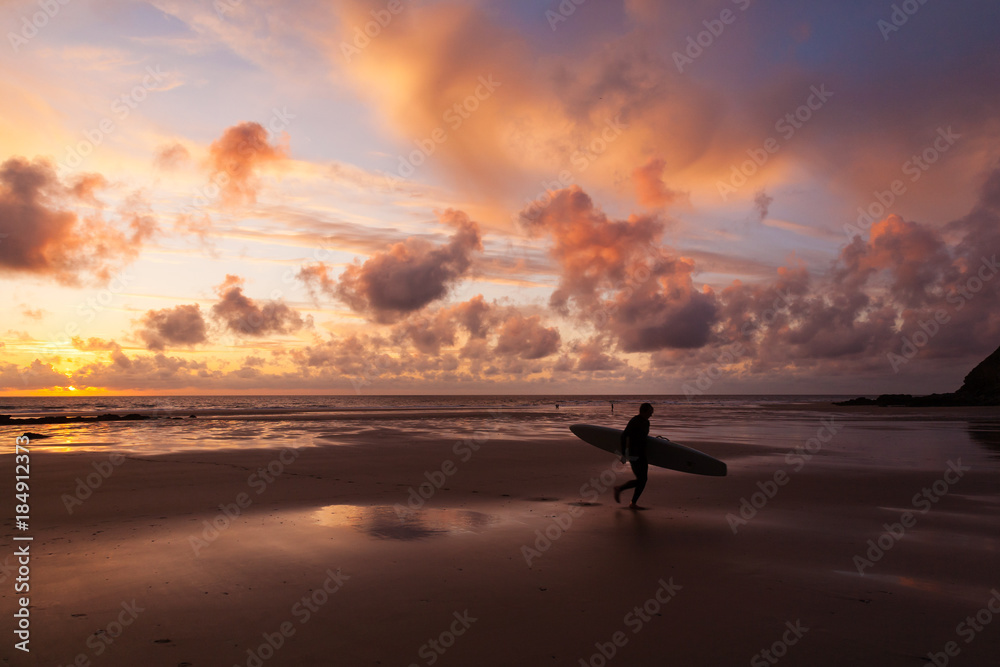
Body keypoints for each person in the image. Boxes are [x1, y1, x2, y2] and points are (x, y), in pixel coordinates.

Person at [614, 402, 653, 509]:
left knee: (643, 479)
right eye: (650, 412)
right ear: (644, 411)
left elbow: (643, 438)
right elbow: (624, 436)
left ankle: (632, 502)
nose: (651, 414)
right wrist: (623, 453)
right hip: (634, 455)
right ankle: (621, 491)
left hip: (642, 454)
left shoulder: (647, 422)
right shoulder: (634, 421)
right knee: (641, 479)